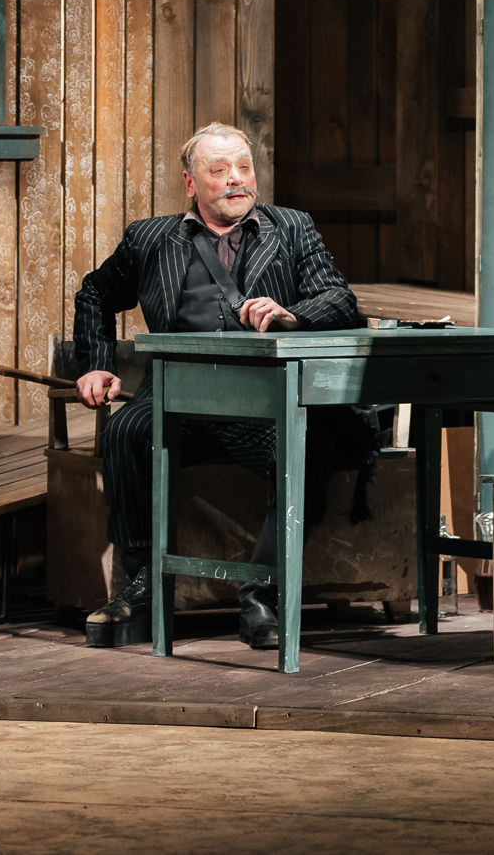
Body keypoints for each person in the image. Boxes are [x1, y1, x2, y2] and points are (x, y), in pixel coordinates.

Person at [72, 122, 362, 649]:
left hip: (265, 397)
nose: (235, 179)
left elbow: (340, 300)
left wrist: (292, 314)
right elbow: (95, 292)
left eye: (244, 167)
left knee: (310, 446)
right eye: (219, 169)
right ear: (191, 183)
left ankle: (261, 597)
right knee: (125, 433)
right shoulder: (150, 238)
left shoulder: (292, 227)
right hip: (178, 395)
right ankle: (139, 588)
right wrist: (94, 364)